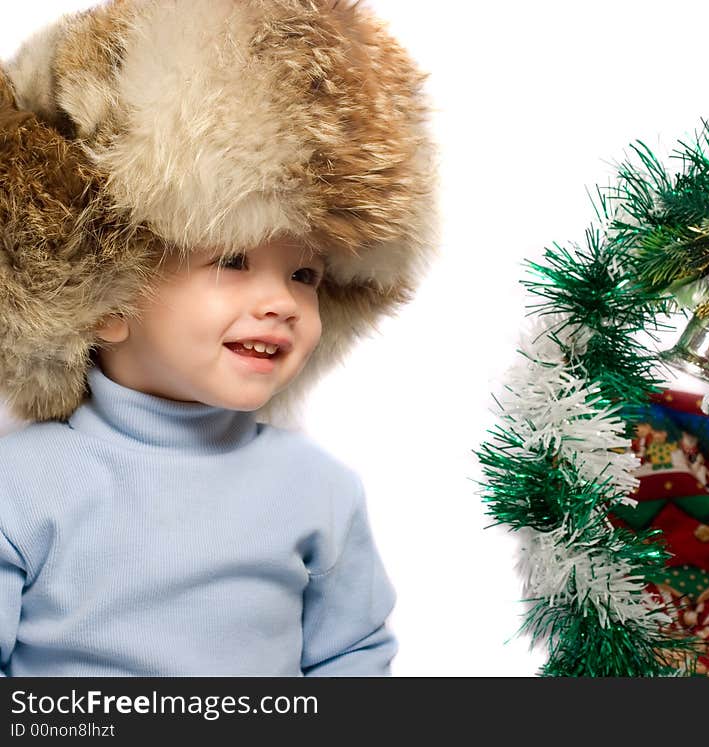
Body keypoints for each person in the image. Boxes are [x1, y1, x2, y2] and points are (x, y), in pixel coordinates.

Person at [0, 0, 434, 676]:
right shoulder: (23, 487)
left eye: (305, 273)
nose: (281, 302)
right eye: (232, 260)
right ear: (105, 295)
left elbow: (351, 656)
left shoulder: (318, 491)